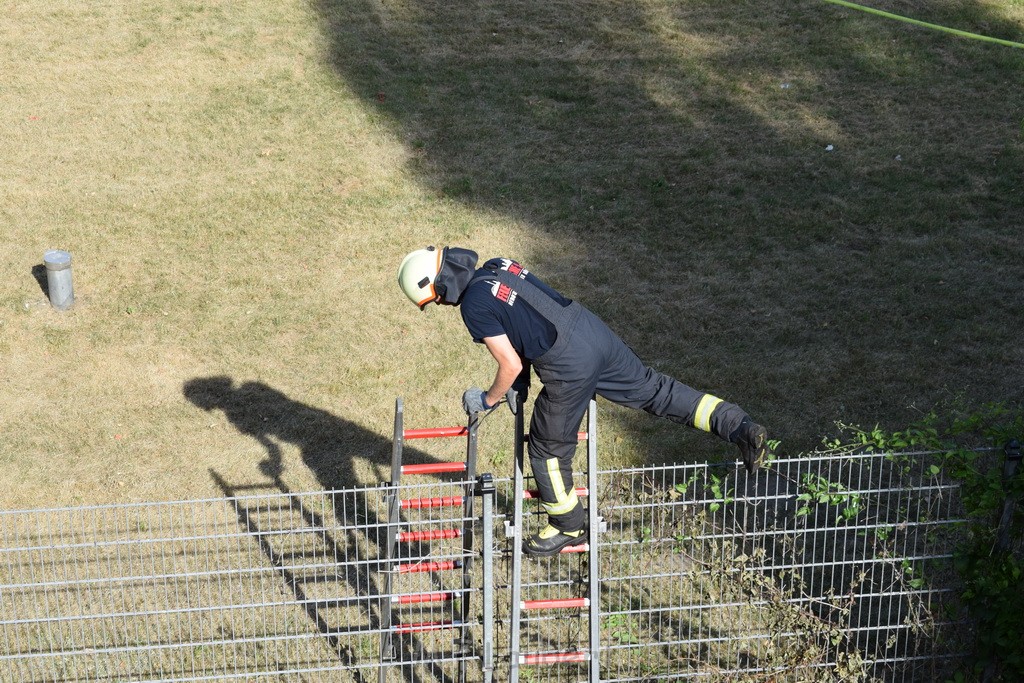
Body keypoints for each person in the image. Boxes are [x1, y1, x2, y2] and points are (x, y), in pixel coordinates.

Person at [397, 246, 768, 557]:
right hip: (592, 332)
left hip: (567, 362)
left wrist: (488, 398)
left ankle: (568, 524)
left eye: (436, 298)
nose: (442, 303)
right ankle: (738, 425)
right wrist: (522, 381)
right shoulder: (497, 266)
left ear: (440, 284)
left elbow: (508, 362)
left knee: (546, 448)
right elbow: (525, 318)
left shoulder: (472, 306)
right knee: (657, 389)